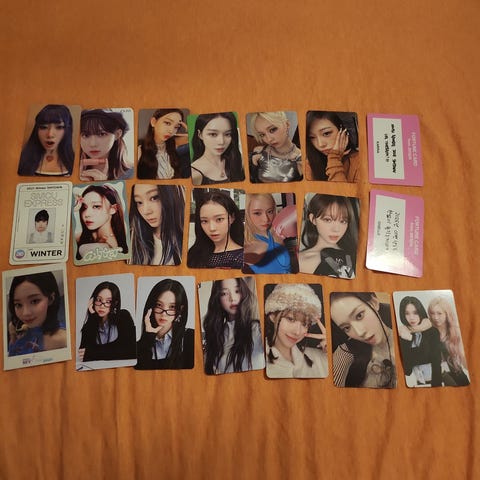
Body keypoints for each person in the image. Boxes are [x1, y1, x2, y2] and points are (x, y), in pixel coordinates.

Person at [330, 292, 396, 388]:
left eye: (359, 316)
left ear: (374, 303)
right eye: (346, 328)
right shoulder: (345, 352)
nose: (360, 332)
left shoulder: (409, 339)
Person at [202, 278, 264, 375]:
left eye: (237, 291)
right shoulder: (216, 335)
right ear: (218, 299)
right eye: (224, 293)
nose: (232, 298)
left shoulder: (258, 329)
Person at [264, 284, 328, 378]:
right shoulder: (255, 357)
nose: (297, 332)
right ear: (273, 316)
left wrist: (331, 351)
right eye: (290, 319)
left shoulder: (320, 358)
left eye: (305, 324)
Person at [136, 279, 194, 370]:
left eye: (172, 307)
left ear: (181, 309)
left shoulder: (190, 338)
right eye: (159, 305)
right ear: (151, 306)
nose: (164, 314)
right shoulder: (140, 345)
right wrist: (148, 338)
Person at [299, 194, 358, 278]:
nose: (336, 229)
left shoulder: (355, 256)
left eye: (343, 221)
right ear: (313, 219)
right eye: (328, 220)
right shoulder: (300, 261)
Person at [7, 272, 66, 356]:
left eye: (34, 301)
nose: (25, 313)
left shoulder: (62, 340)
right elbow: (11, 325)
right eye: (18, 304)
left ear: (51, 298)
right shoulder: (16, 324)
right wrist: (13, 336)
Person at [78, 281, 136, 362]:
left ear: (115, 303)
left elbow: (131, 351)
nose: (102, 306)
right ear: (92, 301)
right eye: (99, 300)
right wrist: (93, 317)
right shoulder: (89, 325)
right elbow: (83, 355)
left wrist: (94, 353)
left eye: (108, 301)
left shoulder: (123, 316)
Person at [187, 190, 244, 269]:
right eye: (204, 221)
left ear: (232, 218)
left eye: (219, 219)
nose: (212, 228)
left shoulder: (243, 258)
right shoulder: (193, 254)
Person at [129, 184, 184, 265]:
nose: (146, 211)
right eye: (139, 202)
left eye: (154, 198)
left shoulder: (188, 238)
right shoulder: (133, 240)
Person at [396, 296, 442, 387]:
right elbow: (406, 368)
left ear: (420, 312)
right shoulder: (402, 333)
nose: (411, 318)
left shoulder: (432, 331)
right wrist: (408, 339)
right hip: (412, 382)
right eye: (407, 313)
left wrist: (436, 386)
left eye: (415, 313)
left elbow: (436, 361)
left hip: (433, 380)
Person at [18, 104, 74, 176]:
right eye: (43, 127)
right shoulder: (21, 161)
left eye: (59, 127)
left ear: (67, 130)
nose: (50, 134)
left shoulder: (76, 163)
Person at [75, 184, 128, 260]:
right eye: (84, 207)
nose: (87, 214)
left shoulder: (110, 246)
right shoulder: (79, 237)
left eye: (96, 206)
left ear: (113, 209)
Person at [243, 193, 293, 274]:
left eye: (270, 211)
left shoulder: (276, 232)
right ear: (247, 213)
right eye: (257, 213)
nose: (266, 219)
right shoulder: (245, 248)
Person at [190, 112, 245, 185]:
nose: (221, 142)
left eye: (227, 134)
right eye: (213, 134)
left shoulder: (239, 161)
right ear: (200, 134)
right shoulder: (195, 175)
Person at [248, 111, 302, 183]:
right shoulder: (258, 152)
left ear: (287, 124)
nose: (269, 139)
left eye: (272, 130)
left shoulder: (302, 160)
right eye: (262, 135)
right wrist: (254, 166)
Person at [305, 111, 359, 182]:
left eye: (326, 133)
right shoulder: (309, 164)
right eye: (312, 137)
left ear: (343, 130)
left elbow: (338, 189)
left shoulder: (360, 161)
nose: (320, 144)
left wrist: (334, 158)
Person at [79, 109, 132, 181]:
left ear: (117, 134)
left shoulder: (130, 174)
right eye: (85, 135)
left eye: (102, 134)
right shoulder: (70, 170)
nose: (93, 144)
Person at [428, 296, 470, 386]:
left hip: (458, 377)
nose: (435, 317)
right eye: (432, 313)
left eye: (439, 313)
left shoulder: (456, 332)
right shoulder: (429, 332)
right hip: (437, 378)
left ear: (447, 314)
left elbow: (463, 358)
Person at [137, 108, 190, 179]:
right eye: (167, 123)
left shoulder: (174, 147)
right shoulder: (139, 151)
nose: (171, 131)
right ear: (153, 122)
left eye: (176, 127)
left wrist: (190, 132)